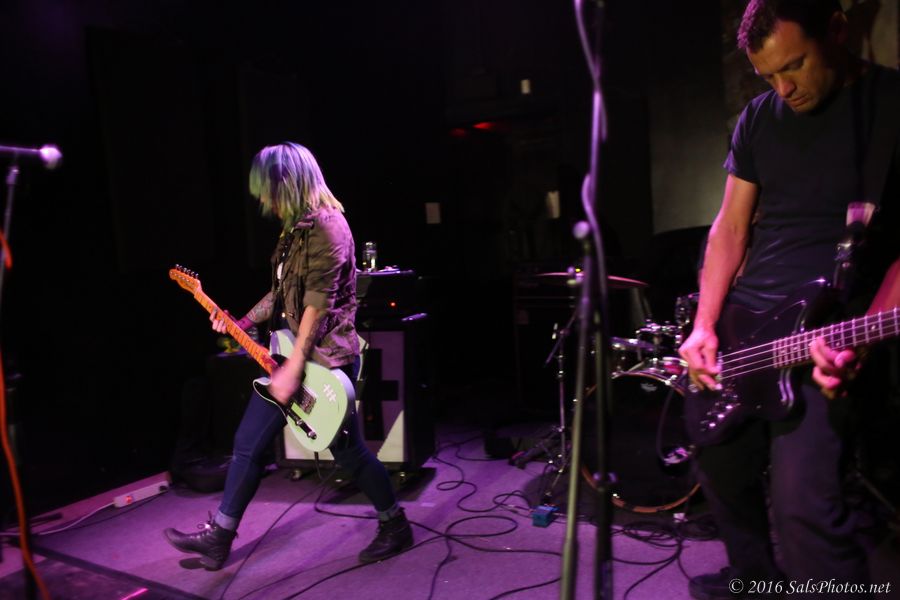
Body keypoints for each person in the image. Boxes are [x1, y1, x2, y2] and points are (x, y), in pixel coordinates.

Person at [678, 1, 900, 598]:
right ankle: (756, 584)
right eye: (768, 76)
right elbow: (730, 228)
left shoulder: (890, 105)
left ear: (836, 31)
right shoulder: (758, 118)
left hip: (828, 331)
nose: (785, 89)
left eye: (795, 65)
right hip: (746, 321)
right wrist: (705, 325)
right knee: (720, 466)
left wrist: (867, 332)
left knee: (804, 508)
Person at [164, 142, 413, 570]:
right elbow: (280, 294)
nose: (264, 201)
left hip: (326, 361)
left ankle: (395, 524)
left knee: (349, 454)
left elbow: (317, 304)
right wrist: (243, 321)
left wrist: (294, 367)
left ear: (287, 183)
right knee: (247, 443)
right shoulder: (294, 230)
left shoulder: (330, 227)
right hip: (290, 358)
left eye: (267, 190)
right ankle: (219, 537)